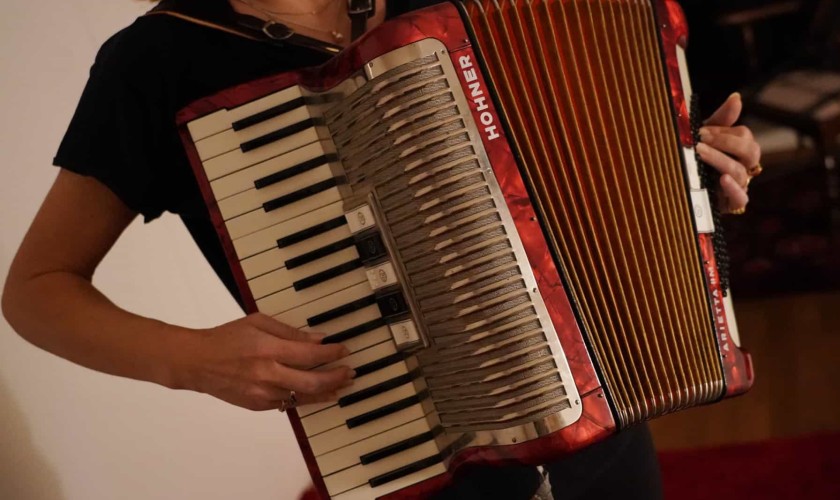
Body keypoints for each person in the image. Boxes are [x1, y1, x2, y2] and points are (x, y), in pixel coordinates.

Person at [1, 0, 761, 498]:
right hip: (410, 449)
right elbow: (35, 288)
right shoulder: (157, 60)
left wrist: (695, 170)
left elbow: (591, 153)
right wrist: (189, 357)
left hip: (606, 420)